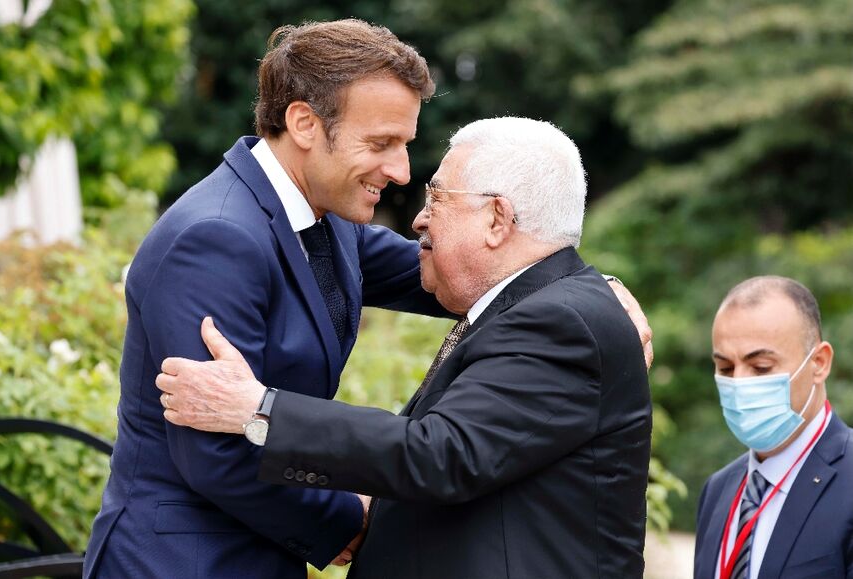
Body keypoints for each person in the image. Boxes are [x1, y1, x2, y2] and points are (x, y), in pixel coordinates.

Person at [85, 19, 651, 579]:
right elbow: (211, 448)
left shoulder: (329, 221)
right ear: (305, 123)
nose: (402, 172)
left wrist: (588, 295)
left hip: (255, 549)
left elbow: (471, 270)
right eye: (381, 144)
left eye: (404, 144)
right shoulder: (215, 237)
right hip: (183, 559)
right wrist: (346, 522)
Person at [694, 276, 853, 579]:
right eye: (725, 368)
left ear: (819, 362)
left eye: (761, 367)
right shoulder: (717, 490)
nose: (738, 383)